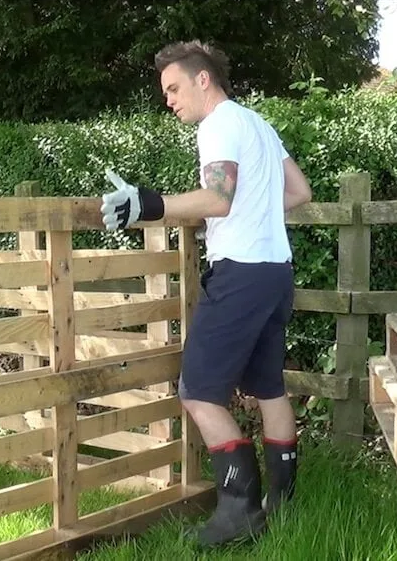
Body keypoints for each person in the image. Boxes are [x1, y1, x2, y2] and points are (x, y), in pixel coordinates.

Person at [99, 40, 314, 547]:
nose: (169, 100)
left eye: (173, 88)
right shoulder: (259, 125)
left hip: (239, 275)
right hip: (274, 271)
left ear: (202, 80)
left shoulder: (218, 124)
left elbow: (217, 198)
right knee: (268, 388)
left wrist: (147, 204)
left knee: (197, 391)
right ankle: (280, 503)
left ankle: (239, 512)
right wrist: (254, 213)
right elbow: (300, 193)